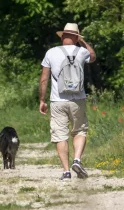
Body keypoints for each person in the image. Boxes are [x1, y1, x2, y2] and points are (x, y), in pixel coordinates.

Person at [39, 23, 96, 180]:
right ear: (76, 37)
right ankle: (77, 160)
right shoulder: (82, 51)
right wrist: (82, 41)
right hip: (78, 99)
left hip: (57, 100)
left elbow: (44, 79)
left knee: (60, 136)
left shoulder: (51, 53)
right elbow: (93, 56)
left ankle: (66, 171)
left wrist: (42, 100)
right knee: (79, 131)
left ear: (63, 36)